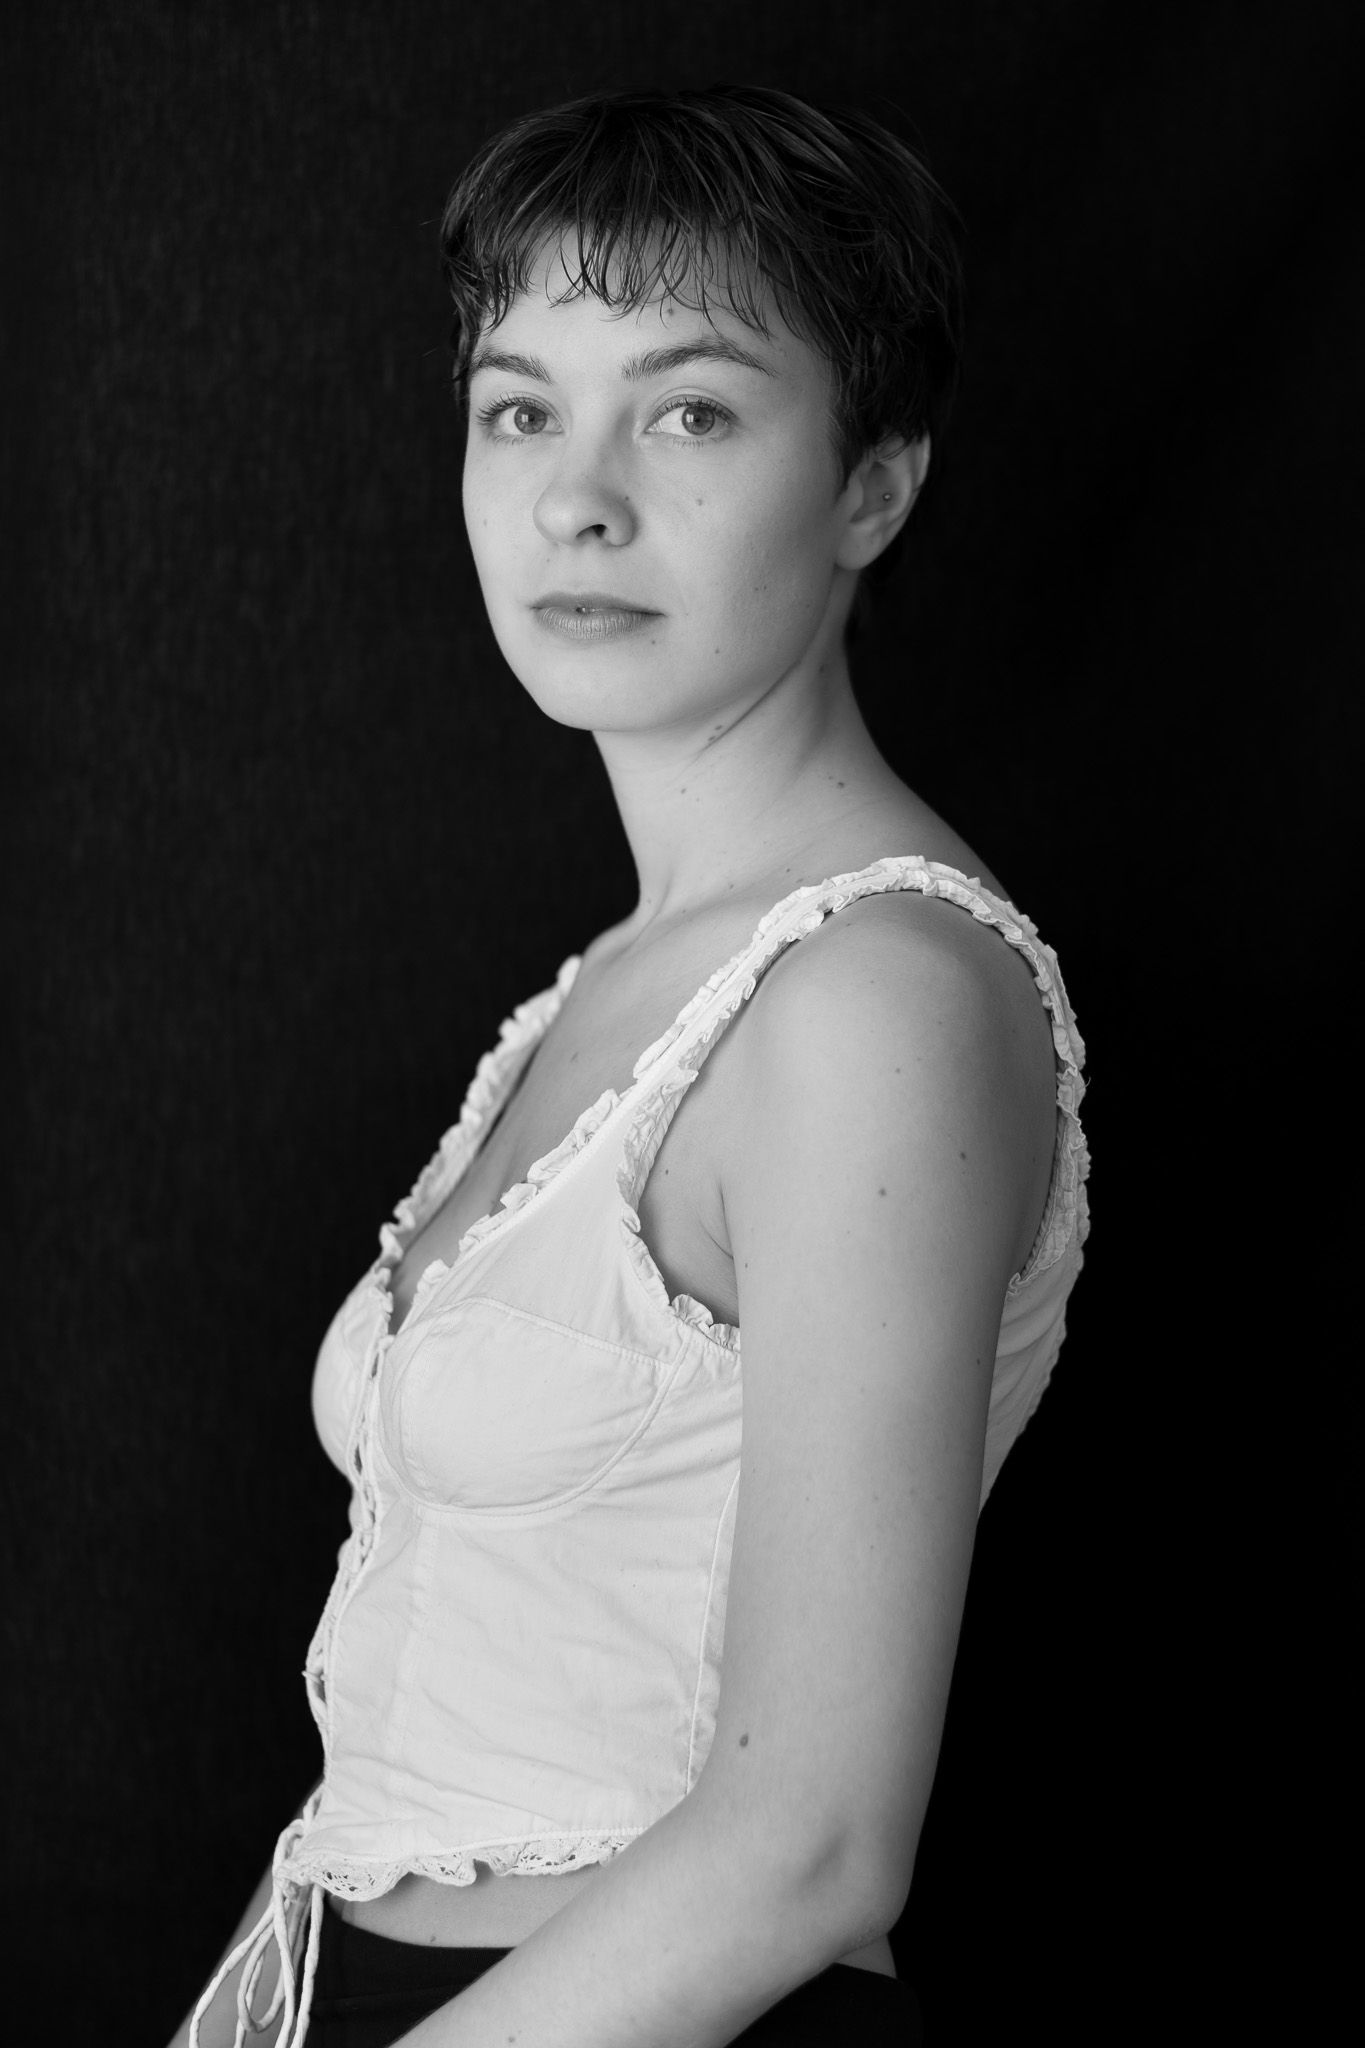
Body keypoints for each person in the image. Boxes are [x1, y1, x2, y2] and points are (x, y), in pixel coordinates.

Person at [173, 82, 1091, 2048]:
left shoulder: (873, 997)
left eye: (687, 413)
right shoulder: (615, 982)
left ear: (870, 489)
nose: (576, 497)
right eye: (520, 410)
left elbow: (809, 1842)